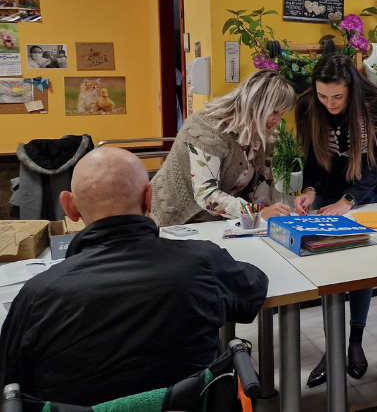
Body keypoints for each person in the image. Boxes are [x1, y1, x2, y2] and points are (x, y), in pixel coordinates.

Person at [0, 148, 268, 406]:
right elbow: (254, 287)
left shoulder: (36, 296)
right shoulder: (202, 263)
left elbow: (12, 386)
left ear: (69, 207)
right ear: (149, 198)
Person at [292, 53, 377, 386]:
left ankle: (355, 341)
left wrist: (348, 201)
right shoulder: (309, 106)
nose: (330, 103)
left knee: (363, 268)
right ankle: (332, 345)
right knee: (330, 267)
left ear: (350, 88)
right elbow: (312, 158)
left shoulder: (376, 102)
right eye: (323, 96)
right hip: (328, 191)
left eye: (337, 96)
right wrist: (309, 191)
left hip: (367, 190)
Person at [151, 69, 295, 227]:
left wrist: (265, 214)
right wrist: (255, 213)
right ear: (255, 103)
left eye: (282, 113)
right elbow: (207, 195)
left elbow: (262, 183)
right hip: (176, 219)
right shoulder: (207, 129)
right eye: (275, 111)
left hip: (217, 223)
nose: (278, 120)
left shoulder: (266, 135)